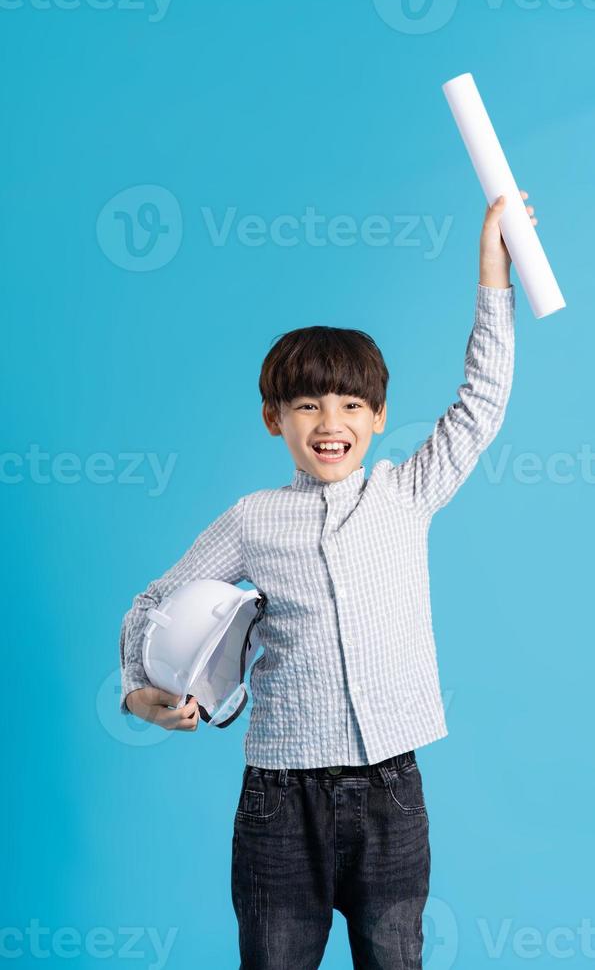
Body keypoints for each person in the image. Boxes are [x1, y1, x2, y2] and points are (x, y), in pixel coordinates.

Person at [118, 190, 537, 968]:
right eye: (306, 405)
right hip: (280, 799)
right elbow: (152, 604)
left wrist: (493, 269)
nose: (329, 422)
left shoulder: (407, 493)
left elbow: (481, 401)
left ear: (379, 418)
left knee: (393, 959)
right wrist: (140, 690)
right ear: (274, 419)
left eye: (350, 403)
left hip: (392, 791)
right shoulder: (252, 518)